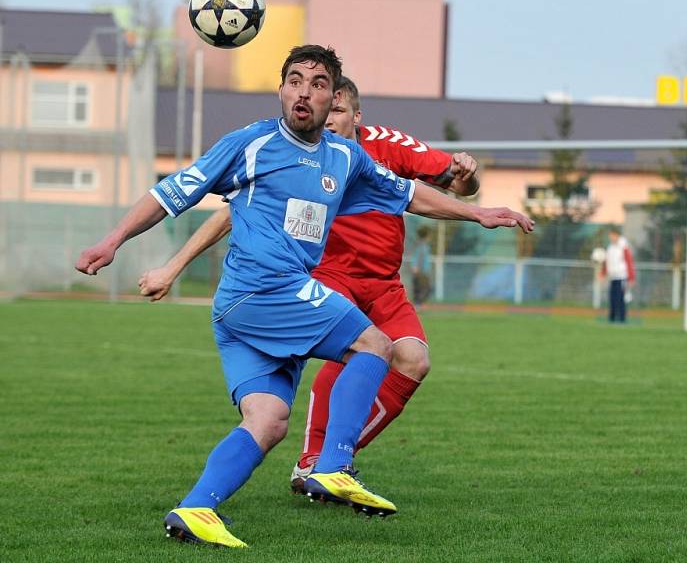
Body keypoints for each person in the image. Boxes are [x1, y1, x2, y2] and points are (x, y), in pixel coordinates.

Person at [76, 45, 534, 549]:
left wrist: (478, 213)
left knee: (268, 421)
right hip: (263, 290)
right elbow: (172, 192)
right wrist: (112, 241)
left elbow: (408, 195)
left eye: (318, 84)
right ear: (281, 90)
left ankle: (195, 508)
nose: (304, 91)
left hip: (243, 310)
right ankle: (333, 465)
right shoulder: (250, 144)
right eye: (295, 80)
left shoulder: (344, 157)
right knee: (375, 344)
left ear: (332, 97)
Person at [138, 75, 483, 500]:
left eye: (337, 109)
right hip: (325, 277)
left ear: (357, 116)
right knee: (357, 352)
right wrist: (173, 266)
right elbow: (233, 213)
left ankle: (330, 462)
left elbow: (449, 185)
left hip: (382, 284)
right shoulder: (298, 155)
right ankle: (318, 463)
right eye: (323, 107)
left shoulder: (382, 147)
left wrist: (470, 185)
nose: (328, 117)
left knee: (413, 360)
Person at [600, 227, 636, 322]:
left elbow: (629, 262)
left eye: (613, 235)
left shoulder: (623, 247)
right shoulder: (610, 248)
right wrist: (603, 273)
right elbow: (607, 262)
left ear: (617, 235)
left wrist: (631, 277)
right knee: (612, 298)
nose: (611, 237)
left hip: (622, 277)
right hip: (613, 277)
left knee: (620, 298)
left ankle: (621, 318)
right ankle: (612, 318)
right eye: (610, 235)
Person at [410, 224, 434, 305]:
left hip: (422, 270)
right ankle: (417, 304)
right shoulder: (422, 245)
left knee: (423, 289)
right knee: (425, 288)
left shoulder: (424, 245)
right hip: (421, 270)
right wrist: (416, 267)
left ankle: (418, 304)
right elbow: (419, 257)